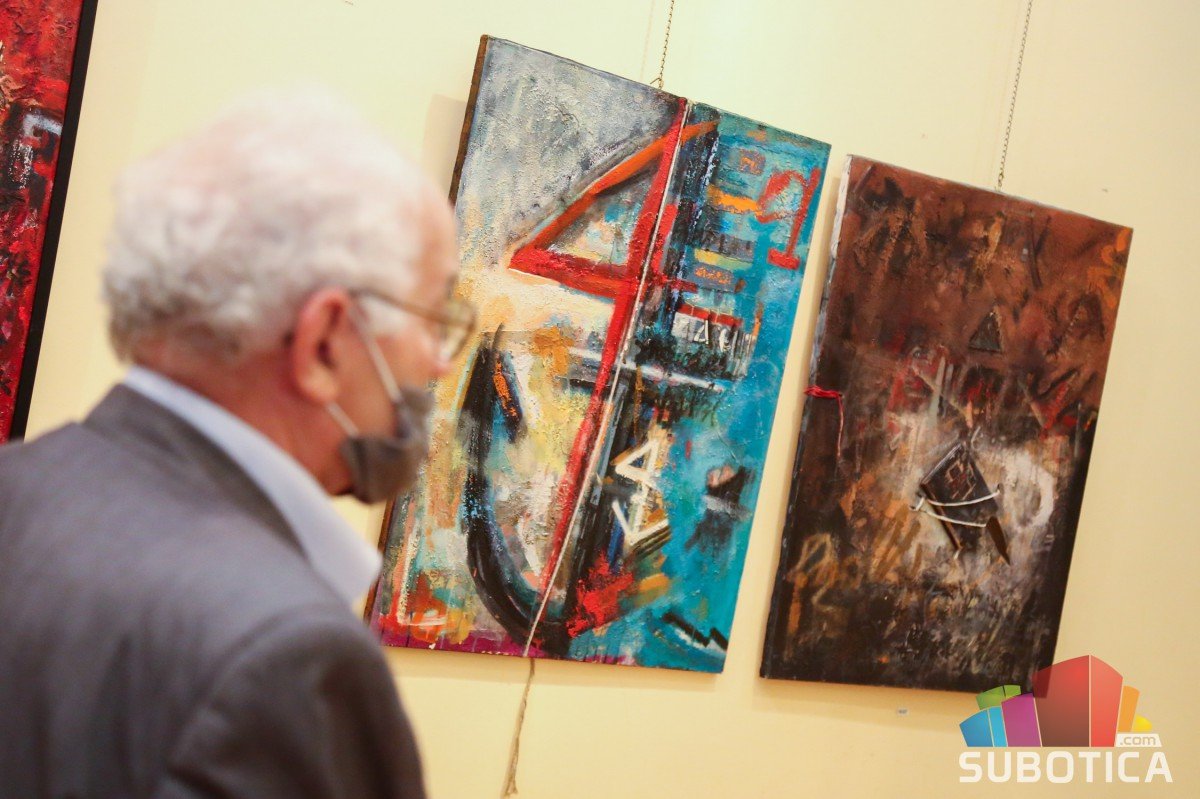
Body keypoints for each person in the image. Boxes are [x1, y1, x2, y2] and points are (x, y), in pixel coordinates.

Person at [0, 92, 471, 798]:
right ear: (323, 342)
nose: (439, 361)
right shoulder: (287, 654)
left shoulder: (15, 485)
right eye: (432, 318)